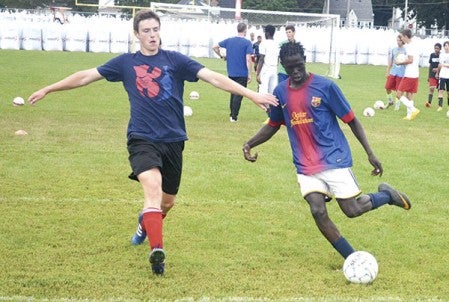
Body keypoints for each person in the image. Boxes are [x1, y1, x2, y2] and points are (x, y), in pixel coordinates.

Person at [27, 10, 278, 276]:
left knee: (166, 203)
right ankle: (157, 251)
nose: (152, 35)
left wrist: (250, 94)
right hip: (141, 138)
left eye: (155, 30)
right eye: (146, 31)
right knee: (153, 189)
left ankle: (144, 224)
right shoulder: (125, 63)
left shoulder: (175, 60)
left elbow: (213, 77)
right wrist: (48, 88)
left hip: (173, 140)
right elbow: (85, 76)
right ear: (137, 35)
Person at [242, 42, 412, 260]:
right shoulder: (280, 92)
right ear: (283, 65)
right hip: (304, 164)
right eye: (290, 67)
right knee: (317, 211)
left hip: (333, 158)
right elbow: (273, 124)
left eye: (299, 66)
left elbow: (352, 121)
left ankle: (387, 196)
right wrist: (249, 143)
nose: (295, 71)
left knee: (352, 210)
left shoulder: (325, 87)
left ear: (305, 60)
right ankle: (353, 259)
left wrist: (370, 153)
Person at [212, 23, 253, 122]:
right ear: (245, 30)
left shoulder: (229, 40)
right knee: (239, 94)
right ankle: (234, 116)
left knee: (233, 92)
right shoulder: (247, 43)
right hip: (242, 72)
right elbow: (248, 58)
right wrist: (249, 73)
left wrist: (222, 56)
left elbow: (214, 47)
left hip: (231, 71)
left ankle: (232, 114)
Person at [395, 29, 420, 120]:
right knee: (409, 95)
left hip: (410, 74)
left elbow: (410, 60)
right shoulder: (414, 44)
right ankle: (409, 115)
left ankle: (413, 109)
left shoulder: (409, 46)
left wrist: (399, 63)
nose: (401, 39)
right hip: (415, 73)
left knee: (398, 94)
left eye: (402, 37)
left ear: (406, 36)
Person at [384, 35, 406, 110]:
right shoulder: (393, 50)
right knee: (387, 87)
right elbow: (390, 62)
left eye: (399, 40)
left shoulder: (406, 51)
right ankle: (390, 101)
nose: (398, 42)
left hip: (401, 73)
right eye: (397, 40)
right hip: (393, 72)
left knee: (398, 90)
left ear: (403, 41)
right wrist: (387, 71)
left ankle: (397, 105)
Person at [256, 25, 279, 95]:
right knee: (272, 92)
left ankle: (266, 106)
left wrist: (257, 74)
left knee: (263, 92)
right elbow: (278, 59)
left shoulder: (263, 43)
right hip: (274, 69)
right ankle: (271, 106)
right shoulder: (277, 44)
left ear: (267, 33)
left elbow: (261, 59)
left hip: (266, 68)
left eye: (265, 32)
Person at [425, 43, 441, 109]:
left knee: (439, 90)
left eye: (437, 48)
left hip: (440, 74)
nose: (436, 49)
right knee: (432, 88)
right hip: (432, 74)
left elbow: (443, 65)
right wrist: (428, 76)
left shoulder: (442, 56)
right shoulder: (432, 55)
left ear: (440, 49)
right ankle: (429, 103)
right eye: (435, 48)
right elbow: (430, 65)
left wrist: (437, 69)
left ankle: (440, 105)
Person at [436, 41, 449, 113]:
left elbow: (442, 64)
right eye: (445, 46)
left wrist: (444, 65)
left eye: (447, 46)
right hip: (442, 75)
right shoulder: (442, 55)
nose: (446, 47)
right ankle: (440, 106)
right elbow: (439, 64)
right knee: (441, 90)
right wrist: (437, 73)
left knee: (448, 92)